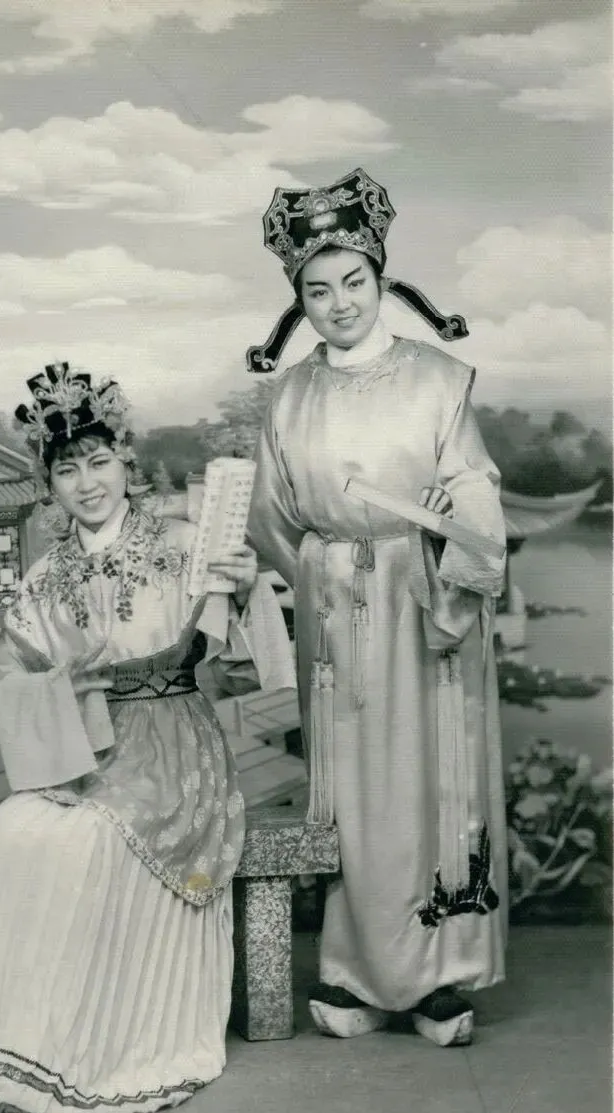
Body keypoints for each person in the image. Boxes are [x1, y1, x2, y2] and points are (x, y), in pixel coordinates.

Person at [0, 362, 295, 1113]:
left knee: (84, 842)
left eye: (98, 462)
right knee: (8, 834)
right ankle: (10, 1061)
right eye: (67, 470)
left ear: (126, 462)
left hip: (171, 742)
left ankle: (86, 1054)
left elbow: (245, 666)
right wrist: (45, 691)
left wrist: (244, 586)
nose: (87, 483)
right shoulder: (46, 575)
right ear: (49, 484)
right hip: (83, 746)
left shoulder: (187, 543)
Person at [246, 168, 508, 1048]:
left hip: (426, 598)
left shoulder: (439, 379)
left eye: (353, 281)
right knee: (355, 795)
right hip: (336, 616)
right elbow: (271, 518)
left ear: (381, 277)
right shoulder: (287, 396)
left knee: (429, 782)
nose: (340, 304)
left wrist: (440, 534)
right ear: (299, 301)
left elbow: (476, 489)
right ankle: (355, 968)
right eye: (317, 290)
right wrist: (324, 573)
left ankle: (439, 976)